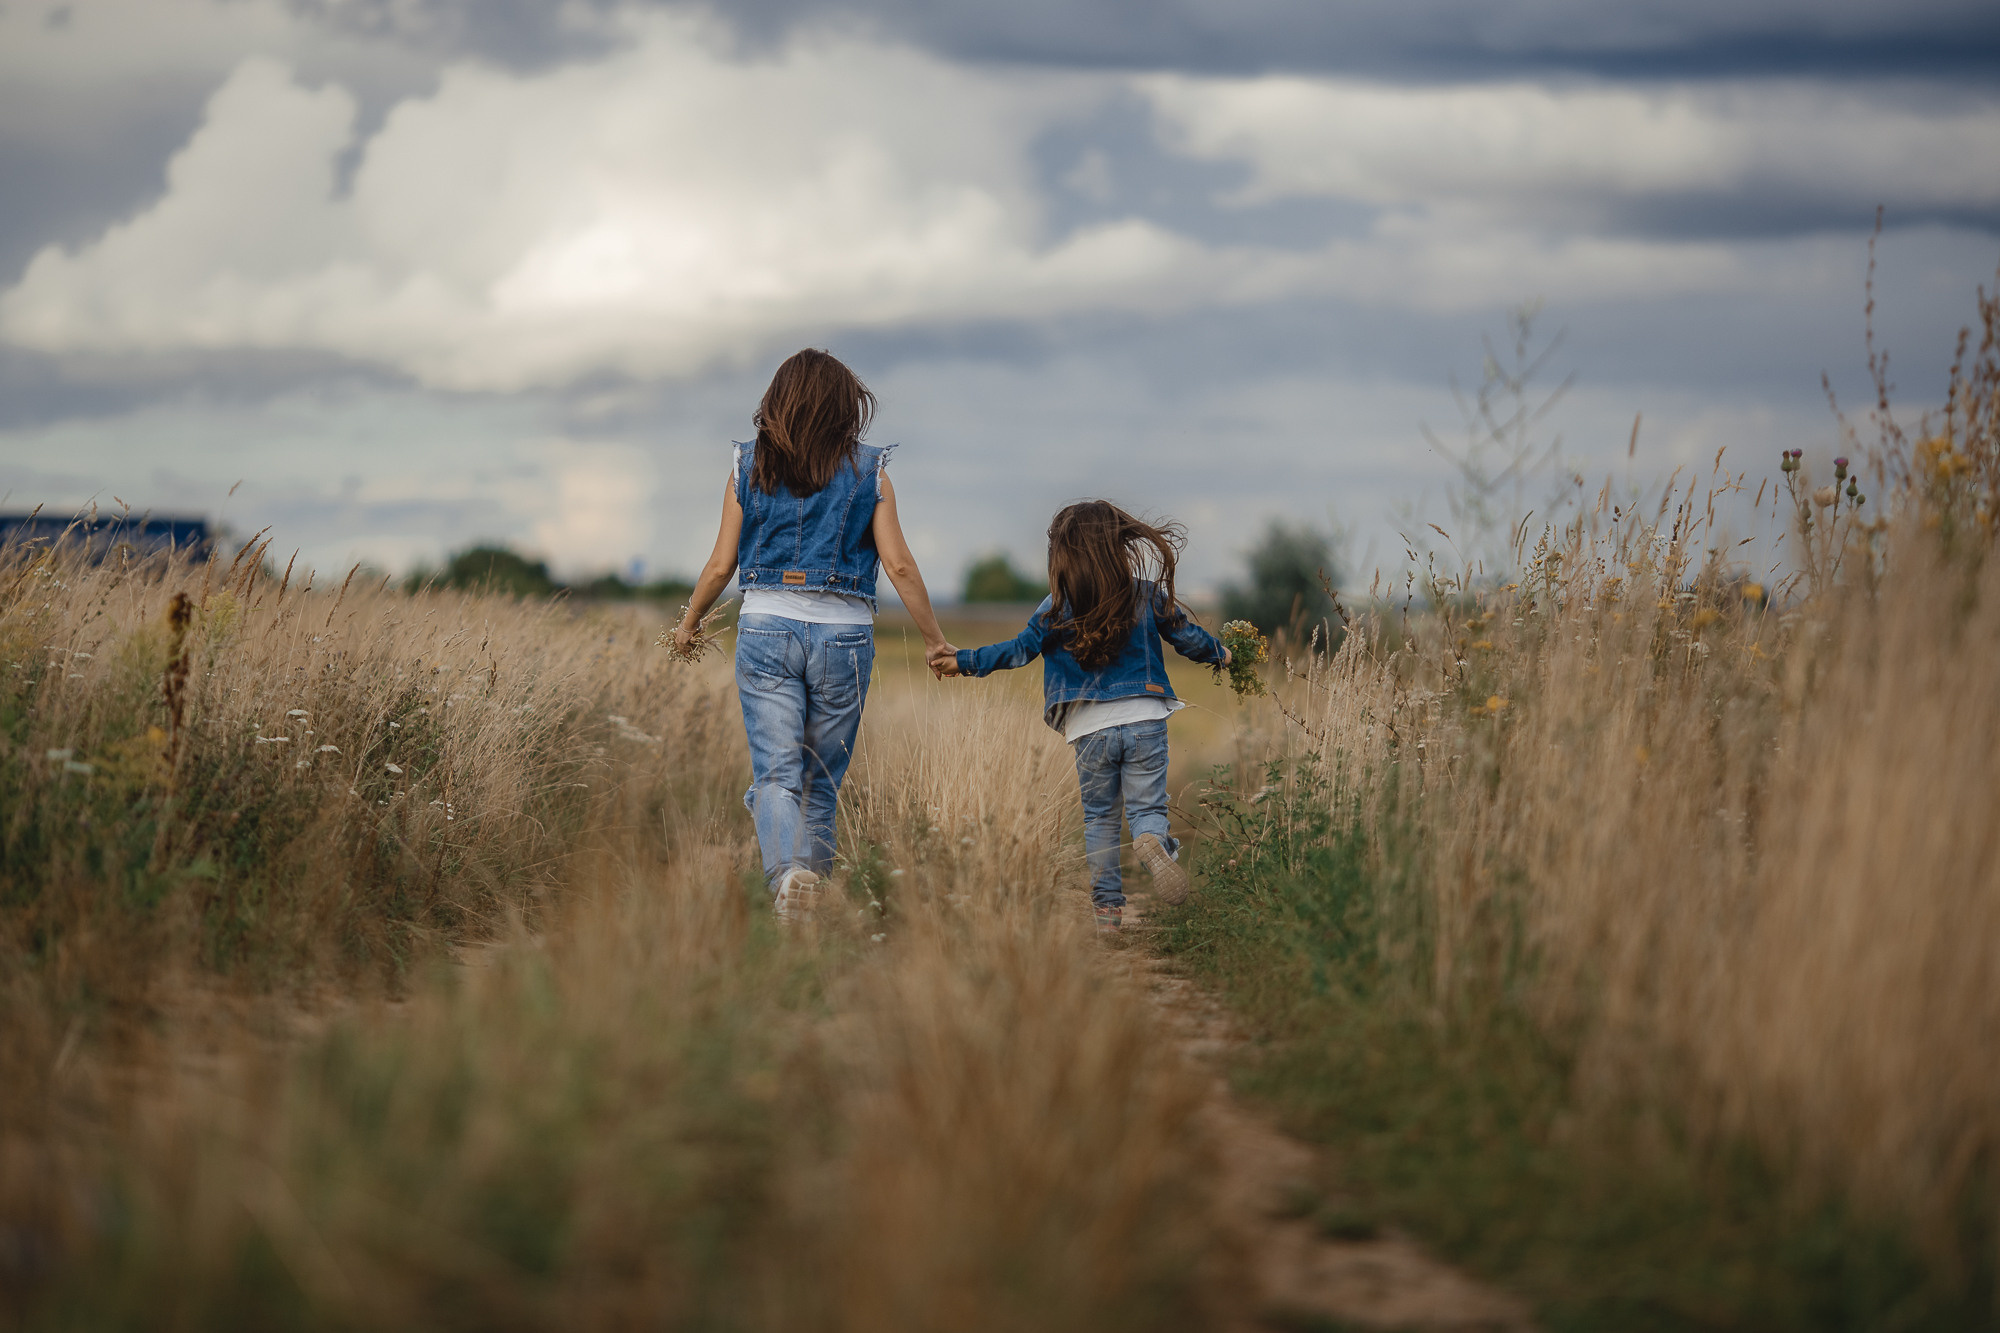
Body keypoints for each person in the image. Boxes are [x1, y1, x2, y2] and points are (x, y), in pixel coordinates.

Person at [674, 349, 954, 920]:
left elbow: (721, 565)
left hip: (766, 629)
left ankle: (786, 880)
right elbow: (898, 565)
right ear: (846, 408)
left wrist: (689, 623)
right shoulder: (871, 471)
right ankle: (810, 900)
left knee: (776, 774)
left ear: (778, 400)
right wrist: (934, 640)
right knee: (819, 782)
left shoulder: (745, 467)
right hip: (844, 639)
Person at [931, 500, 1228, 932]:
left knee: (1101, 819)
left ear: (1064, 554)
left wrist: (964, 661)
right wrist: (1222, 653)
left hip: (1090, 729)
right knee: (1147, 809)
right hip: (1144, 715)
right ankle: (1151, 840)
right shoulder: (1146, 593)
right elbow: (1188, 638)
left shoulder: (1054, 608)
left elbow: (1017, 651)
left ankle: (1108, 912)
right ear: (1117, 546)